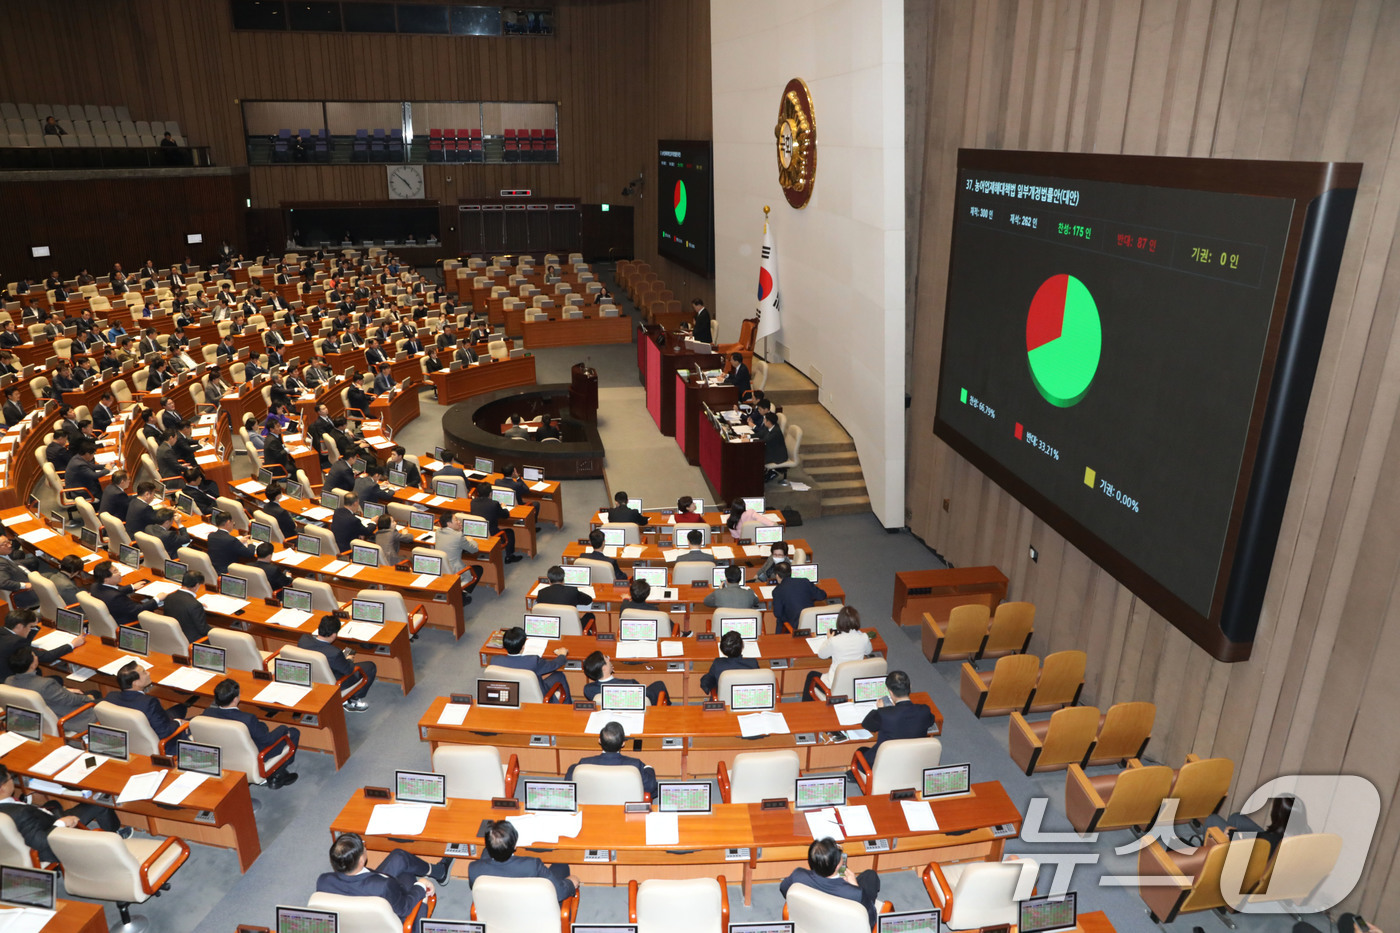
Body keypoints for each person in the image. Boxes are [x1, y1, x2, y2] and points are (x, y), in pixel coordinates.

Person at [0, 765, 127, 862]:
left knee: (55, 803)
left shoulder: (10, 810)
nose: (12, 780)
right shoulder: (20, 813)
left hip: (38, 824)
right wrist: (61, 823)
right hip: (53, 842)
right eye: (11, 777)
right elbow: (40, 842)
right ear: (3, 788)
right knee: (98, 804)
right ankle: (114, 837)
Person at [316, 832, 447, 922]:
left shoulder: (324, 881)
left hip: (362, 901)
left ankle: (438, 871)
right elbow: (405, 908)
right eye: (363, 846)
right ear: (361, 860)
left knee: (399, 857)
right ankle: (436, 873)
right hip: (393, 921)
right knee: (407, 873)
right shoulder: (383, 886)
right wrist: (421, 885)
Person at [203, 678, 300, 788]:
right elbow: (268, 740)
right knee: (293, 732)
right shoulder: (247, 719)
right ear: (235, 699)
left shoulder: (207, 713)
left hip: (222, 755)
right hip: (256, 755)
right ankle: (277, 771)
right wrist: (283, 729)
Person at [779, 838, 881, 929]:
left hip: (812, 918)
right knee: (870, 876)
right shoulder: (855, 893)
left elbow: (784, 889)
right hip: (843, 924)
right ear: (837, 866)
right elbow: (870, 921)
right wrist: (855, 886)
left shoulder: (798, 875)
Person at [469, 820, 577, 902]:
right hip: (532, 912)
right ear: (515, 845)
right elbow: (560, 893)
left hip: (498, 914)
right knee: (561, 866)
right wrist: (571, 883)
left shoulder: (474, 869)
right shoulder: (532, 865)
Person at [7, 645, 98, 731]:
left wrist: (64, 690)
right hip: (69, 719)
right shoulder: (45, 684)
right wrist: (88, 698)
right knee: (98, 696)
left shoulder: (9, 681)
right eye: (35, 655)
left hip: (35, 721)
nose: (37, 657)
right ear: (32, 665)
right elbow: (70, 700)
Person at [856, 670, 937, 765]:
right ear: (910, 687)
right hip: (913, 760)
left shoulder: (884, 714)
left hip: (885, 762)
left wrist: (880, 709)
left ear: (890, 692)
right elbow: (930, 721)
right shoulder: (924, 710)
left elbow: (867, 725)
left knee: (861, 751)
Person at [565, 719, 659, 799]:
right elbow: (651, 786)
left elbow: (569, 785)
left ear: (599, 741)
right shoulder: (635, 765)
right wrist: (648, 768)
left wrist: (573, 767)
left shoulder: (584, 764)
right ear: (623, 744)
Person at [299, 615, 375, 711]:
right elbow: (348, 670)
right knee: (370, 667)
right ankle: (352, 699)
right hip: (334, 681)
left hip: (311, 677)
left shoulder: (303, 640)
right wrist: (349, 659)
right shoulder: (334, 653)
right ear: (334, 635)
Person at [803, 606, 873, 700]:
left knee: (811, 675)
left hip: (834, 687)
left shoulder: (834, 641)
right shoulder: (864, 637)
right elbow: (869, 651)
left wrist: (829, 639)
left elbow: (822, 655)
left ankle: (806, 707)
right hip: (854, 685)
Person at [106, 661, 188, 738]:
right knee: (194, 721)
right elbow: (164, 732)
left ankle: (185, 705)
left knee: (181, 708)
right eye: (144, 672)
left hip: (133, 737)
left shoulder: (111, 697)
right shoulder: (149, 703)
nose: (148, 673)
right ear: (135, 682)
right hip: (164, 742)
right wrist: (179, 722)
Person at [495, 626, 570, 701]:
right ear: (523, 646)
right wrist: (562, 655)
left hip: (510, 697)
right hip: (538, 698)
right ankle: (568, 708)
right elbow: (554, 664)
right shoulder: (533, 661)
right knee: (559, 675)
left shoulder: (495, 661)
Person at [0, 609, 83, 676]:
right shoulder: (16, 642)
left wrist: (33, 626)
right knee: (53, 677)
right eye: (30, 627)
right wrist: (72, 644)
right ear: (19, 626)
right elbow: (46, 657)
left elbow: (26, 640)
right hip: (8, 680)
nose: (30, 630)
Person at [580, 650, 666, 708]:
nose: (609, 659)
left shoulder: (588, 689)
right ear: (604, 668)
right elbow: (645, 696)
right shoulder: (631, 684)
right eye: (606, 658)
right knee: (659, 685)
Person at [91, 561, 156, 626]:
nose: (120, 573)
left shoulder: (95, 586)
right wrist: (157, 599)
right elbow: (138, 610)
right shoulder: (116, 598)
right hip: (129, 623)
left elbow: (112, 590)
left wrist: (132, 587)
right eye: (115, 572)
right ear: (106, 579)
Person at [772, 561, 828, 634]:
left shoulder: (777, 591)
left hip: (795, 626)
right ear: (791, 572)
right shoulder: (804, 581)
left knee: (780, 620)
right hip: (812, 621)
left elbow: (778, 614)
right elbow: (822, 595)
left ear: (777, 575)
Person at [699, 629, 759, 696]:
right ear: (742, 647)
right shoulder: (753, 663)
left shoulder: (718, 664)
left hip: (724, 701)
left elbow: (706, 682)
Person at [471, 481, 520, 562]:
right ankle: (509, 557)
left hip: (477, 531)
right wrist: (504, 507)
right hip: (491, 533)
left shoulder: (473, 502)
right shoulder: (494, 504)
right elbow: (505, 515)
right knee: (510, 532)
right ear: (490, 493)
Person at [161, 570, 210, 643]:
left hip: (173, 635)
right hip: (191, 640)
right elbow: (203, 630)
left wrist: (196, 604)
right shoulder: (195, 605)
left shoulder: (169, 597)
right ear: (196, 585)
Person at [207, 510, 257, 576]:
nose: (233, 524)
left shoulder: (211, 536)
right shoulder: (231, 540)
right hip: (226, 572)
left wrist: (239, 541)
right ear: (228, 522)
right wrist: (250, 543)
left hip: (214, 569)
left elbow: (225, 545)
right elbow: (249, 553)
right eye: (232, 522)